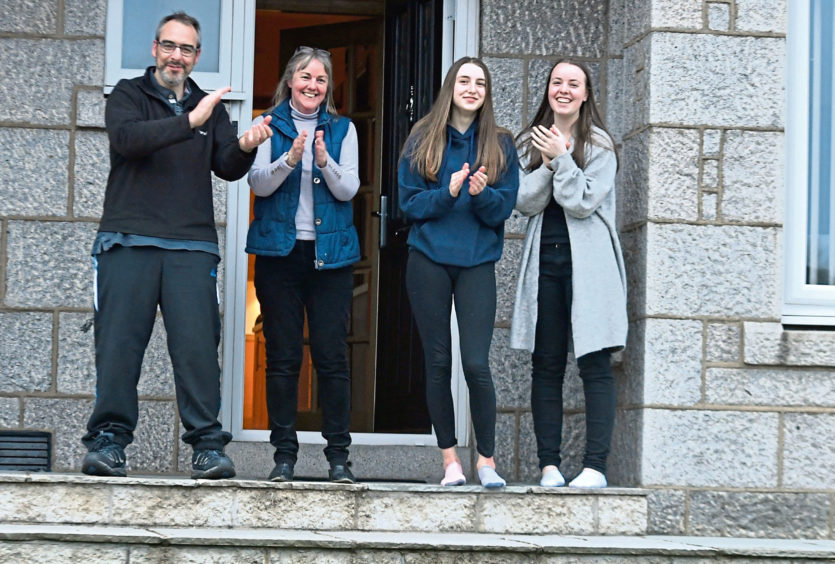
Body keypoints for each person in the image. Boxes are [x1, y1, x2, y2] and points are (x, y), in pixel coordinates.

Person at [80, 12, 272, 479]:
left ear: (196, 56)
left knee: (197, 350)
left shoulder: (211, 107)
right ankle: (109, 444)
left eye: (186, 50)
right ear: (154, 48)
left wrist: (245, 145)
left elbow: (226, 166)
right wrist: (189, 121)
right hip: (127, 240)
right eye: (169, 46)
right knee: (119, 348)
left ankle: (207, 447)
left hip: (191, 246)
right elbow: (129, 141)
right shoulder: (129, 94)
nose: (176, 56)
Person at [398, 57, 519, 488]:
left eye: (480, 83)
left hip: (477, 263)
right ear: (451, 86)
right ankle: (451, 461)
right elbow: (409, 204)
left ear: (486, 93)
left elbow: (503, 209)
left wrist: (481, 195)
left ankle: (485, 461)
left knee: (476, 363)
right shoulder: (422, 138)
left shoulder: (501, 144)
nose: (472, 88)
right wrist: (446, 194)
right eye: (464, 80)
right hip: (428, 260)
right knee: (437, 361)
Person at [510, 59, 627, 489]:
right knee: (547, 365)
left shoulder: (600, 145)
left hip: (590, 268)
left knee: (595, 364)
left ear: (585, 94)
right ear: (548, 90)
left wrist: (562, 159)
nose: (563, 89)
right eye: (556, 82)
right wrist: (547, 161)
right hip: (546, 265)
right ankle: (550, 467)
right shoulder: (532, 141)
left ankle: (595, 467)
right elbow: (524, 201)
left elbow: (580, 202)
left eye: (572, 83)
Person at [246, 46, 360, 484]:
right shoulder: (268, 123)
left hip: (330, 258)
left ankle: (338, 458)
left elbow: (349, 189)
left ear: (327, 87)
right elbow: (257, 182)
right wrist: (290, 159)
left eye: (321, 79)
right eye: (305, 77)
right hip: (281, 256)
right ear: (290, 80)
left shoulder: (343, 128)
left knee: (332, 358)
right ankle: (284, 457)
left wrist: (324, 161)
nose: (313, 85)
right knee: (283, 358)